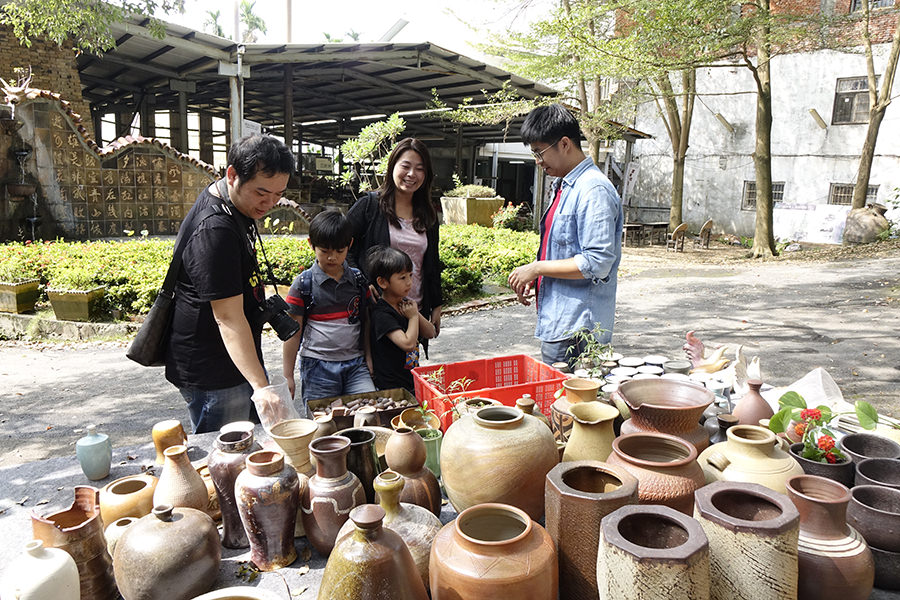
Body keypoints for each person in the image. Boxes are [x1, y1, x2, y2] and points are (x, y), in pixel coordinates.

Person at [164, 134, 294, 433]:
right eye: (262, 192)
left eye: (278, 194)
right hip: (213, 367)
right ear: (232, 175)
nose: (270, 203)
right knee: (226, 455)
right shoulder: (215, 229)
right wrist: (262, 387)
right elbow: (227, 318)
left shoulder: (234, 204)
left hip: (233, 361)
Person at [508, 104, 623, 367]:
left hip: (579, 330)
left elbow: (597, 262)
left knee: (571, 403)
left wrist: (537, 269)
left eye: (540, 152)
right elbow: (561, 248)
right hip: (560, 320)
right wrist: (537, 277)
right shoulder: (564, 185)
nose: (538, 162)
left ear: (564, 143)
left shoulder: (593, 190)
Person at [346, 137, 443, 340]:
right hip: (378, 310)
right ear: (392, 167)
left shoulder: (428, 215)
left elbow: (432, 263)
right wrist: (362, 281)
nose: (411, 174)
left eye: (419, 168)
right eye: (405, 166)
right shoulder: (370, 206)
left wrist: (436, 304)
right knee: (380, 369)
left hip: (413, 311)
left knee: (408, 368)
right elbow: (340, 247)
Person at [282, 210, 375, 408]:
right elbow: (293, 333)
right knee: (323, 423)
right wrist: (287, 375)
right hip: (317, 367)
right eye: (324, 251)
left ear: (349, 245)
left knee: (368, 412)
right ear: (311, 244)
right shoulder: (303, 284)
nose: (332, 257)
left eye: (339, 251)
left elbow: (366, 321)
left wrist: (368, 357)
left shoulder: (358, 281)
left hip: (356, 365)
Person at [366, 245, 436, 392]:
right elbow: (407, 344)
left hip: (410, 380)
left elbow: (430, 332)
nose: (409, 282)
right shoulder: (382, 313)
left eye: (410, 275)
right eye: (402, 278)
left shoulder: (405, 305)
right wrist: (412, 317)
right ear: (383, 282)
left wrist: (415, 314)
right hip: (392, 387)